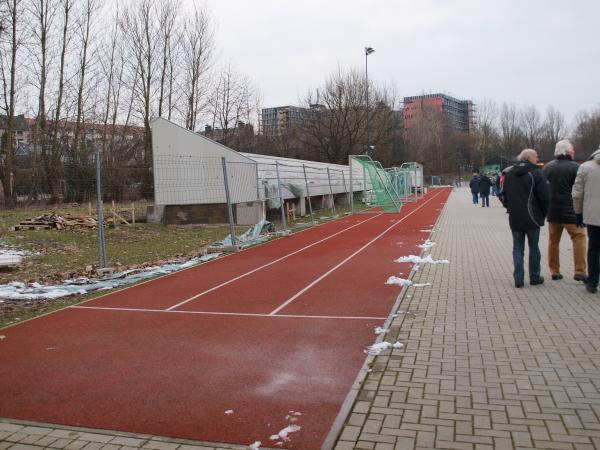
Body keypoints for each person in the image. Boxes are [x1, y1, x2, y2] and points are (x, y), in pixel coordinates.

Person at [500, 149, 549, 287]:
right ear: (528, 157)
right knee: (533, 247)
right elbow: (544, 196)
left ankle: (519, 278)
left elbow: (502, 194)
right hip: (532, 216)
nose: (537, 158)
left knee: (517, 248)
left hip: (515, 217)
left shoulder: (509, 173)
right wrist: (543, 213)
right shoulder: (536, 173)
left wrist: (509, 207)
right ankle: (534, 276)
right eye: (535, 156)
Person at [543, 139, 587, 282]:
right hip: (572, 211)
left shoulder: (547, 167)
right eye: (573, 150)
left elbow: (543, 189)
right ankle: (579, 271)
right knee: (579, 238)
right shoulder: (576, 167)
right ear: (568, 152)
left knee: (553, 241)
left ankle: (554, 271)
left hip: (553, 211)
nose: (574, 152)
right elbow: (580, 190)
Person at [572, 145, 600, 294]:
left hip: (593, 216)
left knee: (594, 249)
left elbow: (577, 193)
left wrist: (578, 213)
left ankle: (593, 281)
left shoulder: (585, 167)